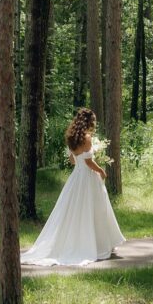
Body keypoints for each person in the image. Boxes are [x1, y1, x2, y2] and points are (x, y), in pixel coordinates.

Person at [20, 107, 125, 267]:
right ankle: (98, 245)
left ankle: (79, 242)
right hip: (88, 178)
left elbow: (72, 160)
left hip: (76, 177)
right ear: (89, 121)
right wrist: (101, 170)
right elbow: (89, 162)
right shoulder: (87, 138)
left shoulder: (71, 138)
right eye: (93, 121)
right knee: (96, 209)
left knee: (75, 209)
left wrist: (83, 161)